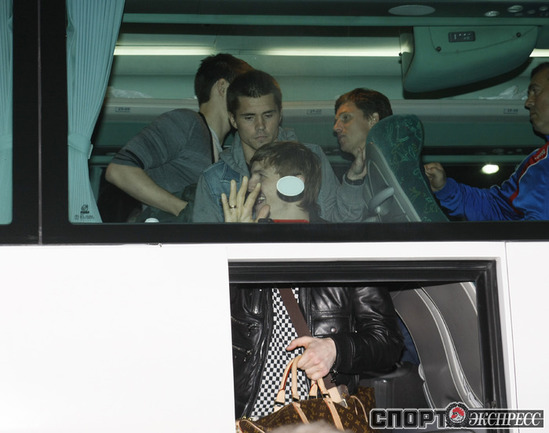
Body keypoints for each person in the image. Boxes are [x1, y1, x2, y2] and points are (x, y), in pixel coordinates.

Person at [225, 142, 404, 419]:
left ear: (293, 184)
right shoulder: (244, 250)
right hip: (248, 419)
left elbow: (388, 342)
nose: (250, 184)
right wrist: (233, 245)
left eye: (261, 175)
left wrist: (335, 348)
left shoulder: (344, 249)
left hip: (316, 418)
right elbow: (210, 327)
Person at [192, 70, 365, 222]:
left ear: (280, 114)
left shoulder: (312, 157)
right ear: (233, 120)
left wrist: (353, 181)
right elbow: (203, 245)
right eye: (249, 117)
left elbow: (341, 225)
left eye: (268, 115)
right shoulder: (214, 179)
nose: (260, 126)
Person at [104, 53, 253, 222]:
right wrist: (184, 210)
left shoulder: (222, 153)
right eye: (244, 92)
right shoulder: (187, 122)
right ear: (222, 87)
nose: (249, 101)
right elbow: (119, 170)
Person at [424, 61, 549, 221]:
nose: (528, 102)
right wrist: (445, 188)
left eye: (535, 91)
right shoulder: (535, 165)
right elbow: (496, 207)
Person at [333, 88, 394, 220]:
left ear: (373, 120)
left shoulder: (403, 171)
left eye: (345, 118)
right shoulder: (357, 177)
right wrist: (353, 180)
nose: (336, 127)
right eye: (336, 121)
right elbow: (347, 226)